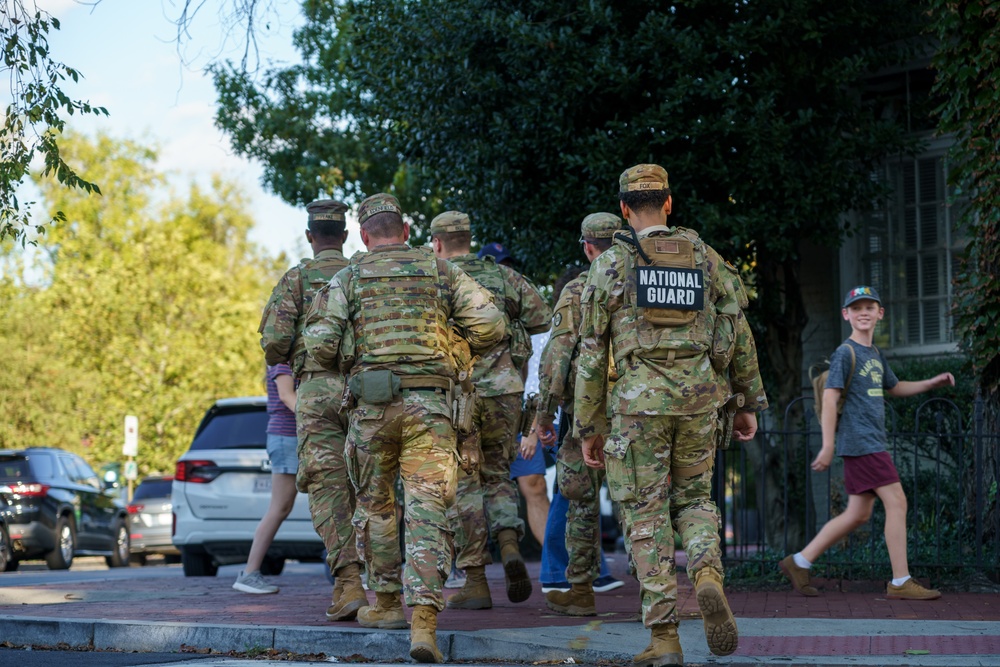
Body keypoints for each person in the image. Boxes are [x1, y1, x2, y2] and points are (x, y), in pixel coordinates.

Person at [576, 164, 768, 667]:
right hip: (701, 398)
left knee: (644, 514)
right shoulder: (705, 257)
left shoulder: (612, 265)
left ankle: (664, 638)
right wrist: (747, 402)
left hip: (639, 402)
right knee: (694, 500)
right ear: (668, 203)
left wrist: (588, 427)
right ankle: (706, 571)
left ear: (622, 209)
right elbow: (739, 330)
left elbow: (592, 353)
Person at [304, 194, 505, 664]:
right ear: (407, 231)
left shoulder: (349, 276)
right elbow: (492, 325)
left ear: (366, 236)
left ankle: (388, 604)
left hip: (372, 410)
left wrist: (354, 357)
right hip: (432, 408)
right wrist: (455, 347)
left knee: (375, 507)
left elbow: (319, 343)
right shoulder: (440, 271)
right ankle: (425, 625)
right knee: (427, 509)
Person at [780, 286, 955, 601]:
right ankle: (901, 581)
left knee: (857, 514)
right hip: (861, 442)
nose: (863, 312)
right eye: (856, 307)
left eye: (869, 307)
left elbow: (895, 386)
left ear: (879, 313)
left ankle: (799, 561)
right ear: (846, 314)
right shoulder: (844, 353)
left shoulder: (874, 353)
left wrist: (930, 383)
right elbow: (831, 399)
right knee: (897, 501)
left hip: (870, 441)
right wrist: (828, 445)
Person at [430, 215, 552, 611]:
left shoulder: (435, 277)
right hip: (504, 390)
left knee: (465, 483)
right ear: (469, 238)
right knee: (498, 475)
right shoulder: (502, 276)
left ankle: (476, 580)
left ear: (437, 243)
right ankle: (510, 544)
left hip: (456, 394)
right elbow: (541, 319)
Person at [255, 199, 365, 620]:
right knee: (372, 487)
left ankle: (348, 583)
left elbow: (274, 346)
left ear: (309, 237)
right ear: (345, 235)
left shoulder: (296, 279)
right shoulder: (360, 273)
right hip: (366, 391)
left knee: (328, 489)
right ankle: (387, 588)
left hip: (317, 393)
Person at [520, 213, 625, 616]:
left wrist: (543, 417)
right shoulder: (644, 284)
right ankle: (660, 590)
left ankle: (580, 589)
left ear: (587, 247)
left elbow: (555, 359)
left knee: (577, 498)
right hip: (642, 409)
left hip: (589, 415)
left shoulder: (580, 288)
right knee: (643, 501)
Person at [233, 363, 298, 595]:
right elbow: (286, 395)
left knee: (286, 507)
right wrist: (317, 420)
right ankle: (250, 573)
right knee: (279, 508)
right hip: (288, 436)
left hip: (293, 436)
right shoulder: (282, 357)